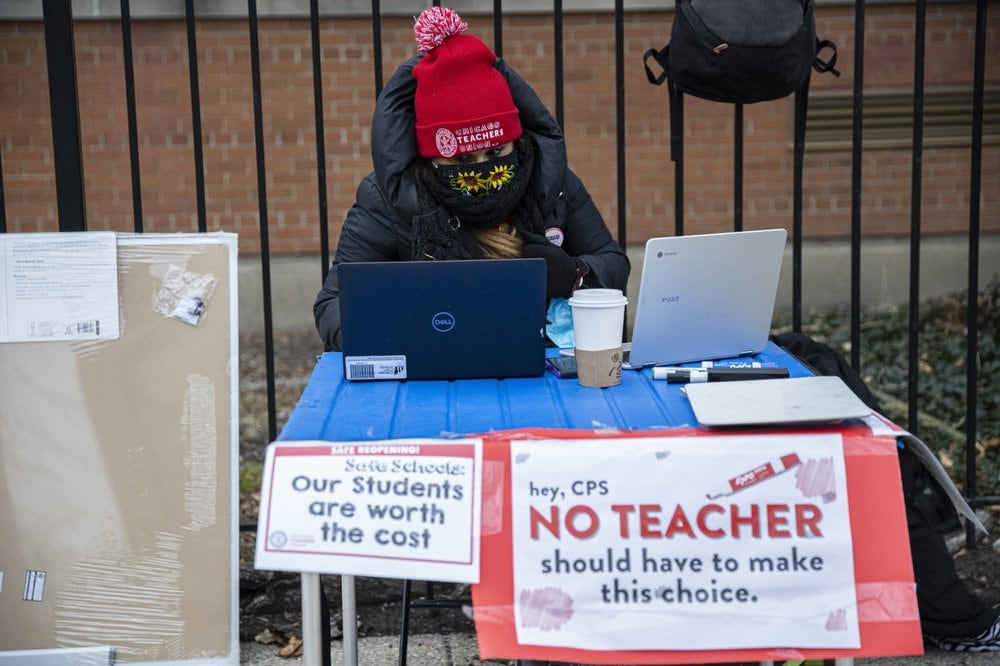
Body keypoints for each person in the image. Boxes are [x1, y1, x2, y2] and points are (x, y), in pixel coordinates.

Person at [314, 6, 629, 352]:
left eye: (496, 153)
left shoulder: (549, 181)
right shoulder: (389, 199)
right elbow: (335, 302)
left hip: (540, 361)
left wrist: (575, 275)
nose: (482, 170)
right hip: (432, 367)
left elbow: (612, 261)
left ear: (517, 140)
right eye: (462, 160)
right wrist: (396, 334)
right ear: (431, 157)